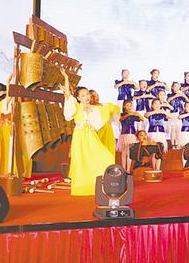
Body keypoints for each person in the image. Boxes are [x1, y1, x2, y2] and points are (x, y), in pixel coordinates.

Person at [61, 68, 114, 196]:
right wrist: (66, 78)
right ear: (78, 97)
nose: (87, 97)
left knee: (106, 157)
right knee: (82, 162)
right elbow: (68, 95)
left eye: (87, 94)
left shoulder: (95, 108)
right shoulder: (76, 105)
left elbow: (100, 119)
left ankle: (100, 184)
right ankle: (85, 187)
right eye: (83, 95)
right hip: (80, 136)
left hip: (91, 135)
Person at [89, 90, 119, 158]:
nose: (95, 97)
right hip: (94, 133)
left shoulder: (105, 105)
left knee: (108, 154)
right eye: (92, 96)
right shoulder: (87, 108)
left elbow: (116, 118)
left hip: (107, 132)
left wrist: (110, 120)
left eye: (96, 95)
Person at [118, 100, 144, 173]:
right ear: (124, 106)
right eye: (127, 105)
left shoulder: (133, 115)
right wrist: (128, 114)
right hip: (124, 134)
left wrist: (137, 114)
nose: (129, 107)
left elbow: (142, 119)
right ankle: (123, 169)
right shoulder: (122, 114)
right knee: (124, 153)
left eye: (130, 105)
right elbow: (120, 119)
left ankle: (128, 169)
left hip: (132, 134)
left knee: (129, 153)